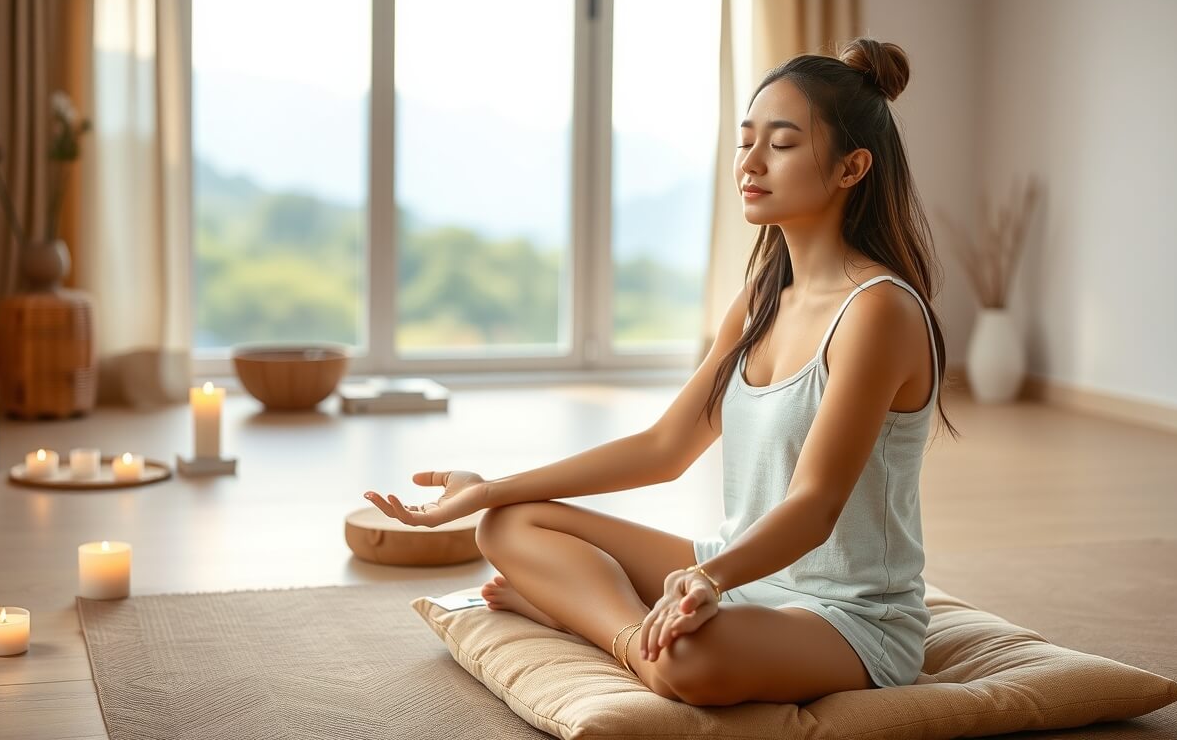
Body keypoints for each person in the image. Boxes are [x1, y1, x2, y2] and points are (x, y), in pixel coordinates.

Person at [365, 37, 958, 707]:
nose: (751, 164)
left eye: (782, 145)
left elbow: (815, 505)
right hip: (734, 571)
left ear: (852, 168)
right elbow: (663, 449)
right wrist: (489, 489)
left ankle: (585, 622)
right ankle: (617, 627)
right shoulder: (763, 295)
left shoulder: (878, 312)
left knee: (686, 662)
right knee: (506, 524)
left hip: (848, 616)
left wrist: (706, 577)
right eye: (745, 141)